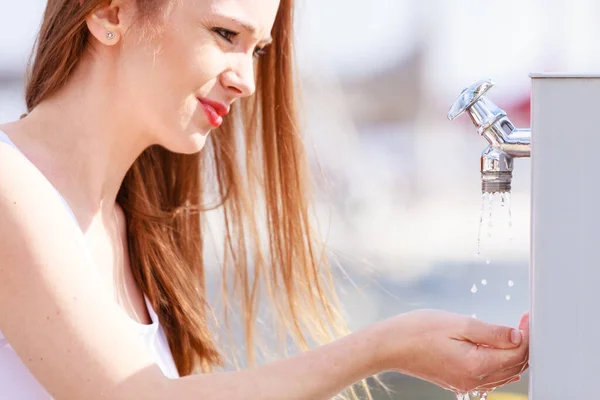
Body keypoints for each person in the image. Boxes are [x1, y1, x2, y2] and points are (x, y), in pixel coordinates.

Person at [0, 0, 529, 398]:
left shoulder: (137, 224)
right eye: (224, 33)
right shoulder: (10, 182)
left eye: (257, 50)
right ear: (109, 13)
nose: (249, 81)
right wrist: (383, 347)